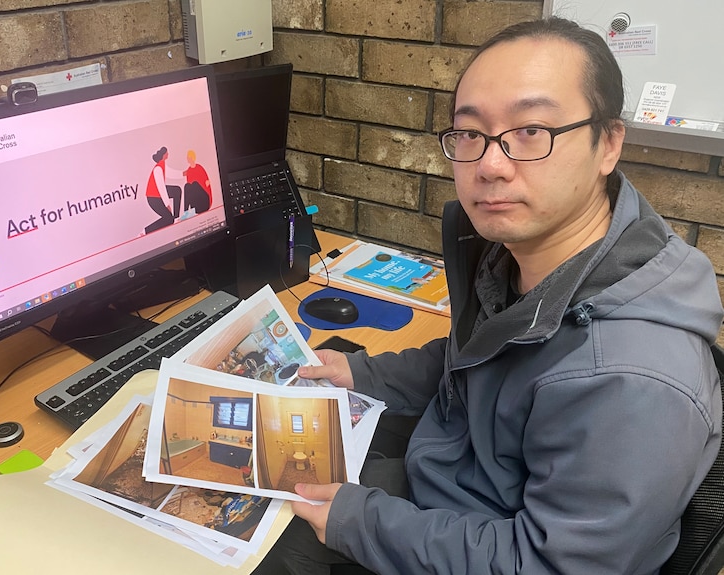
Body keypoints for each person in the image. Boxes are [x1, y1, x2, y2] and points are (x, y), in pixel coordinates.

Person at [255, 17, 724, 575]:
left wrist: (359, 522)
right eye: (471, 134)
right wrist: (363, 376)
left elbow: (547, 565)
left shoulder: (633, 379)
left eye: (532, 131)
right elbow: (477, 362)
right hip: (456, 481)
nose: (490, 164)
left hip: (487, 538)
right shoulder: (521, 256)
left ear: (608, 144)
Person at [144, 146, 182, 234]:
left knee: (177, 190)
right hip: (153, 197)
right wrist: (167, 205)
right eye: (167, 153)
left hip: (158, 194)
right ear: (164, 155)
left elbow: (171, 173)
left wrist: (184, 173)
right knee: (168, 219)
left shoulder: (163, 165)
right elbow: (161, 188)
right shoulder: (158, 168)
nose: (168, 154)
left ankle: (176, 218)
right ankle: (146, 231)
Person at [182, 149, 212, 215]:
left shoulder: (199, 167)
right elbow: (189, 191)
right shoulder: (189, 170)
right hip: (196, 207)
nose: (187, 159)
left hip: (205, 202)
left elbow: (207, 183)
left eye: (188, 157)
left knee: (195, 184)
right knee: (187, 185)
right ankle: (186, 212)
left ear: (192, 158)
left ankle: (187, 212)